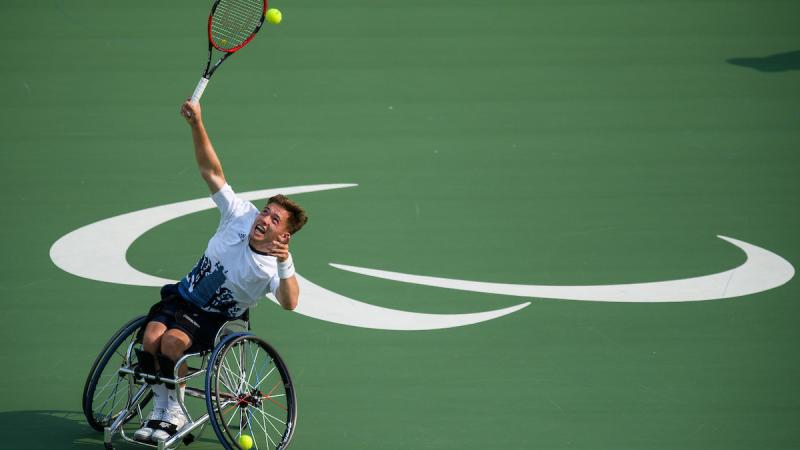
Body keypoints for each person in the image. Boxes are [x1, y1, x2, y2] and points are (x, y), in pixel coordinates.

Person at [133, 100, 308, 443]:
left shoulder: (273, 264)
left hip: (214, 319)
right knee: (151, 336)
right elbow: (211, 172)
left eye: (274, 219)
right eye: (266, 211)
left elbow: (290, 302)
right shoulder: (240, 214)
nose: (264, 219)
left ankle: (175, 412)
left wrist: (286, 262)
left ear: (283, 235)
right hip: (183, 297)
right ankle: (161, 408)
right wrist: (196, 123)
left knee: (172, 342)